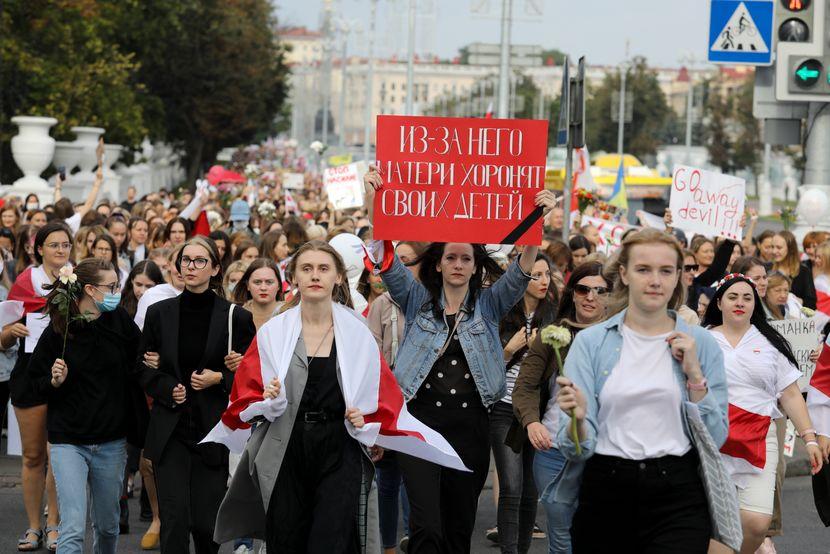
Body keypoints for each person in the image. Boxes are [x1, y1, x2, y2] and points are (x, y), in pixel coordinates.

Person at [362, 165, 555, 552]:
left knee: (458, 527)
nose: (458, 265)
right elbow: (386, 261)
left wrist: (537, 222)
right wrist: (373, 203)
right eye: (451, 258)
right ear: (438, 263)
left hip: (471, 426)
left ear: (474, 265)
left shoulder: (489, 306)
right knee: (426, 525)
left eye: (466, 259)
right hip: (419, 423)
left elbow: (519, 274)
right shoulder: (417, 303)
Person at [555, 229, 729, 552]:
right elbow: (576, 449)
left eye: (666, 271)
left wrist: (694, 375)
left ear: (679, 276)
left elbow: (716, 437)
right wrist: (577, 420)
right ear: (624, 273)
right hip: (606, 490)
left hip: (678, 495)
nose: (655, 280)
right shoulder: (591, 343)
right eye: (643, 269)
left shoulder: (702, 344)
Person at [137, 236, 256, 553]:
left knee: (205, 525)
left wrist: (220, 378)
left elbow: (251, 376)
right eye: (185, 261)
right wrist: (166, 388)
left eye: (199, 260)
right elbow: (143, 368)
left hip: (212, 431)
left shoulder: (237, 317)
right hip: (171, 430)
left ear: (215, 268)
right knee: (174, 522)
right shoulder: (159, 313)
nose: (190, 266)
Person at [25, 258, 149, 554]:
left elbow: (140, 361)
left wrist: (149, 362)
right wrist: (54, 382)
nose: (118, 292)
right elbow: (33, 383)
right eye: (112, 286)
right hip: (69, 441)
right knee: (72, 528)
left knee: (107, 527)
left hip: (111, 442)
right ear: (91, 290)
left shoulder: (119, 320)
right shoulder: (60, 328)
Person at [702, 273, 822, 554]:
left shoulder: (770, 341)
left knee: (756, 522)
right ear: (719, 302)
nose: (740, 303)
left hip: (759, 436)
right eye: (733, 297)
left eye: (747, 297)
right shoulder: (701, 339)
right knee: (711, 521)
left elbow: (790, 394)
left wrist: (810, 438)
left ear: (756, 303)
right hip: (711, 438)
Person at [511, 261, 609, 554]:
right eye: (583, 289)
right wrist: (532, 422)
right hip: (554, 449)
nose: (590, 297)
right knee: (561, 534)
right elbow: (525, 386)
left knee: (598, 531)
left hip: (604, 452)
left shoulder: (622, 340)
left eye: (600, 290)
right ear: (572, 293)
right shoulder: (552, 334)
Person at [2, 222, 72, 551]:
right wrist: (10, 333)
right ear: (39, 249)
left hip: (65, 373)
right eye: (54, 245)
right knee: (32, 456)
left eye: (65, 245)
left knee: (57, 453)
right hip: (29, 373)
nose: (60, 251)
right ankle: (33, 527)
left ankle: (54, 523)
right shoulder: (24, 281)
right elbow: (3, 338)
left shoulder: (77, 280)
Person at [490, 253, 559, 554]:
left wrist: (541, 350)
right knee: (512, 487)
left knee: (531, 491)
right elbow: (483, 368)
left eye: (547, 275)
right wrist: (509, 351)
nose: (543, 281)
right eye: (536, 275)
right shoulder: (502, 313)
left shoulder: (554, 317)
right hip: (503, 408)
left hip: (536, 410)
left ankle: (522, 549)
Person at [366, 240, 425, 554]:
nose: (401, 267)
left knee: (419, 481)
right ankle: (388, 545)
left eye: (408, 261)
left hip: (424, 404)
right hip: (390, 402)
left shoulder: (433, 302)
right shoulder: (381, 305)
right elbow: (372, 356)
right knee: (388, 480)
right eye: (395, 260)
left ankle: (413, 538)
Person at [231, 258, 284, 328]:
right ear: (248, 285)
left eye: (269, 282)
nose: (263, 288)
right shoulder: (236, 314)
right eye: (257, 282)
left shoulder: (289, 313)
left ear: (279, 285)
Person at [771, 231, 817, 309]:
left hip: (794, 319)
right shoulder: (767, 269)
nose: (774, 251)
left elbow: (811, 302)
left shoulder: (804, 272)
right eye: (772, 247)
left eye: (779, 247)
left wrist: (796, 301)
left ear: (790, 249)